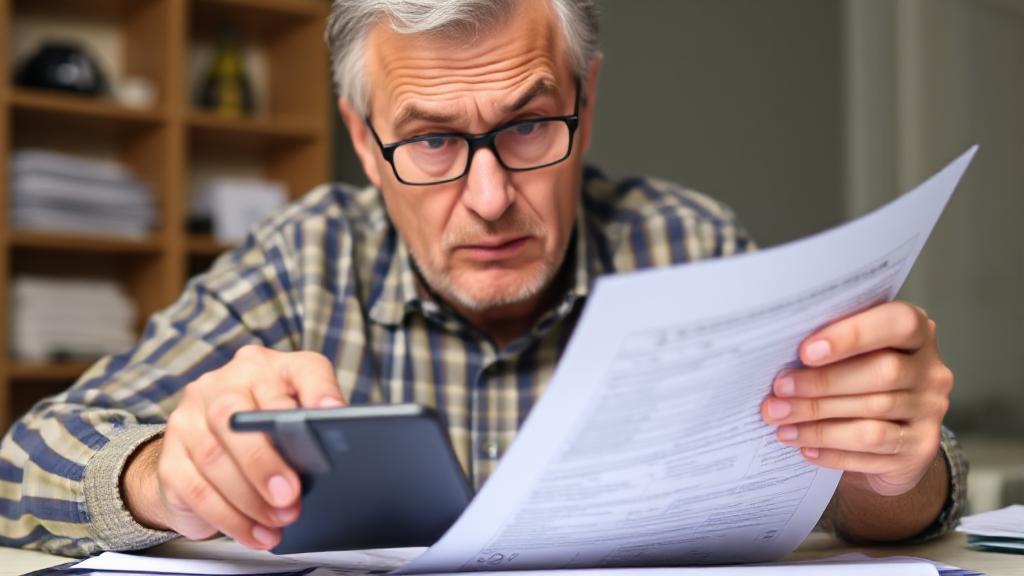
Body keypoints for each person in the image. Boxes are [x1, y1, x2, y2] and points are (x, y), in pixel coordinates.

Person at [0, 0, 965, 557]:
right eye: (428, 140)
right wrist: (163, 473)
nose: (492, 197)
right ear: (363, 145)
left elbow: (857, 498)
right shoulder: (307, 257)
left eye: (527, 125)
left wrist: (892, 466)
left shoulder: (688, 242)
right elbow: (20, 463)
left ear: (586, 107)